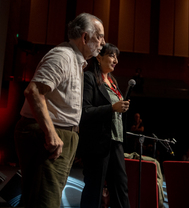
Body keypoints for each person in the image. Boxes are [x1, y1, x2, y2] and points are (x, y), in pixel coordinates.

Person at [14, 13, 105, 208]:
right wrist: (51, 134)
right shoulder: (63, 56)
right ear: (85, 37)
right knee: (45, 201)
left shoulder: (75, 59)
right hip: (47, 138)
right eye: (100, 36)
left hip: (59, 135)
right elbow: (34, 91)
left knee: (40, 198)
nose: (103, 43)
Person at [78, 43, 130, 208]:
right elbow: (85, 111)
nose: (115, 60)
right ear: (99, 57)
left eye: (117, 57)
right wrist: (112, 108)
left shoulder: (112, 81)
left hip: (116, 142)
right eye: (112, 56)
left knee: (121, 188)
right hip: (97, 144)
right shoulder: (90, 77)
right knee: (95, 189)